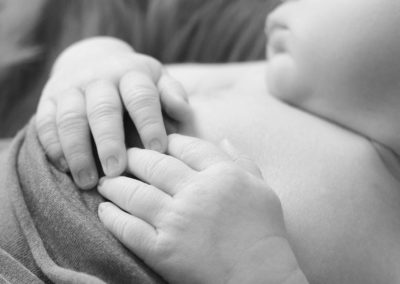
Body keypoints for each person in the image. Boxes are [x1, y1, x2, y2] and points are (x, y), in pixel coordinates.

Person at [34, 0, 400, 283]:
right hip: (31, 174)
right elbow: (134, 66)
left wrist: (255, 267)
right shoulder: (270, 79)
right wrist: (94, 62)